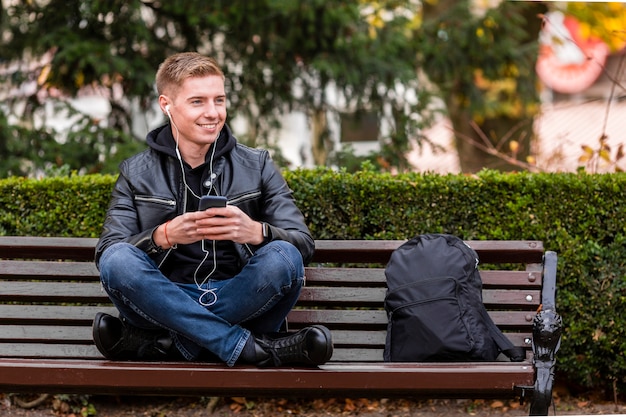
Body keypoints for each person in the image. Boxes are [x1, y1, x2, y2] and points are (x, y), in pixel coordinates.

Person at [92, 52, 332, 367]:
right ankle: (241, 345)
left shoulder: (257, 165)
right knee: (118, 260)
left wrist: (257, 232)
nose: (213, 113)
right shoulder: (136, 173)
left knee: (284, 256)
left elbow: (303, 244)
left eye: (219, 100)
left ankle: (168, 343)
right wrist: (162, 236)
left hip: (239, 295)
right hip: (164, 295)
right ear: (167, 105)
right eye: (198, 102)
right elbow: (108, 254)